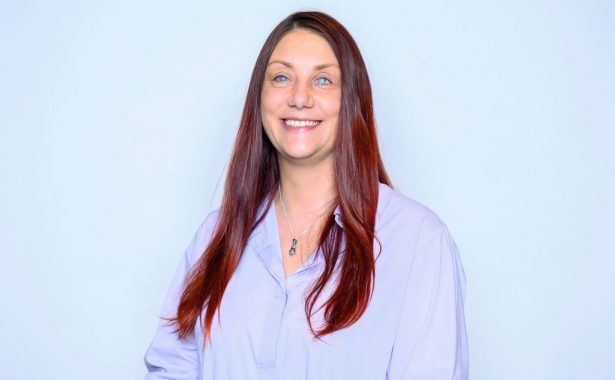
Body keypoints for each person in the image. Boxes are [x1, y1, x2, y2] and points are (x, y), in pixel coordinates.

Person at [144, 10, 468, 380]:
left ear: (352, 101)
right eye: (282, 77)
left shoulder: (418, 241)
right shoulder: (216, 235)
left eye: (323, 80)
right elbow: (173, 369)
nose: (299, 97)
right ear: (260, 99)